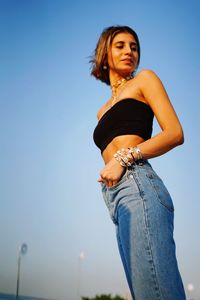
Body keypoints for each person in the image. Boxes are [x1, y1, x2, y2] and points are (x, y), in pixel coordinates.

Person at [91, 25, 186, 300]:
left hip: (138, 185)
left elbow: (174, 133)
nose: (129, 51)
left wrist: (124, 157)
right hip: (116, 199)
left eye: (134, 46)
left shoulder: (144, 80)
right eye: (120, 45)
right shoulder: (101, 111)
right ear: (105, 54)